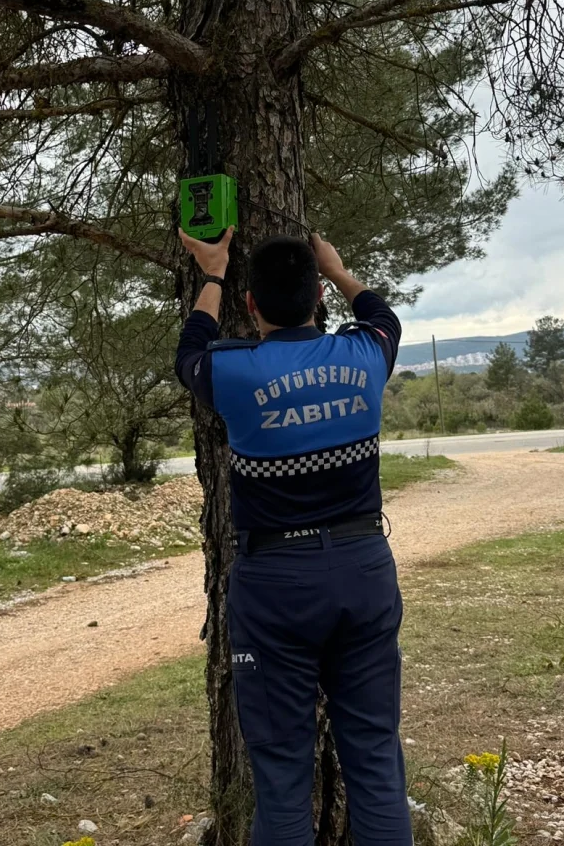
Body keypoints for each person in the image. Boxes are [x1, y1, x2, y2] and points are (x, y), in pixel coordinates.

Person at [175, 226, 412, 846]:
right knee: (376, 762)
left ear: (250, 304)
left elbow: (189, 349)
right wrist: (338, 269)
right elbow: (383, 316)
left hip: (275, 583)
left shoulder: (232, 370)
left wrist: (212, 272)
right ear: (318, 299)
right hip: (363, 568)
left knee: (281, 777)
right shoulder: (365, 355)